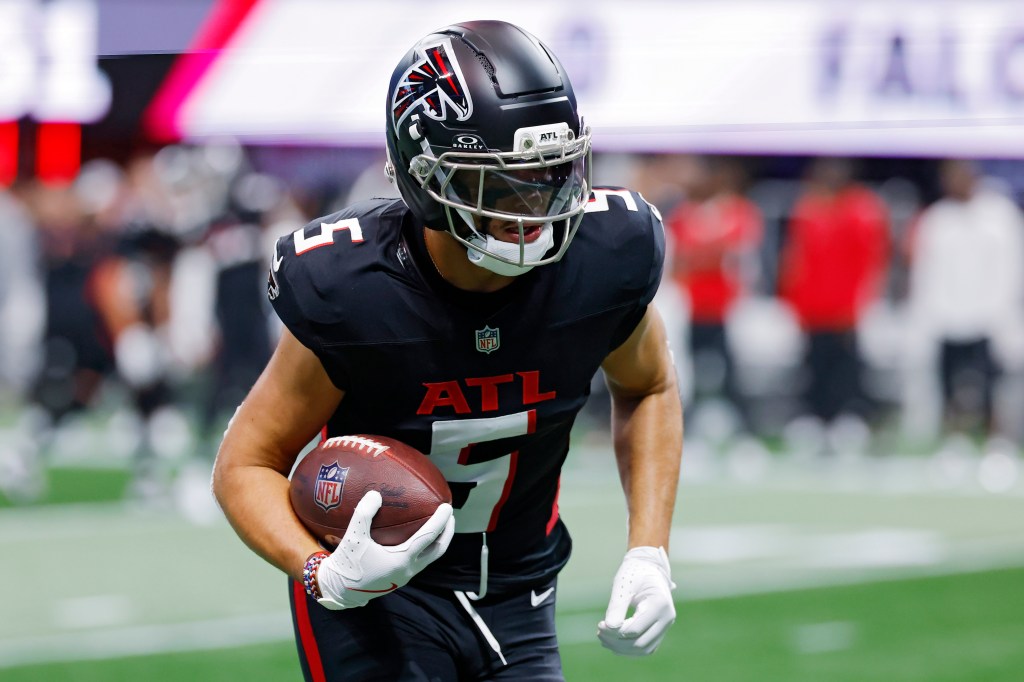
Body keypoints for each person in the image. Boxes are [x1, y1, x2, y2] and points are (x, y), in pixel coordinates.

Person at [212, 20, 682, 682]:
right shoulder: (354, 290)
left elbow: (649, 386)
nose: (542, 205)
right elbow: (246, 464)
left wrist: (649, 551)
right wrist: (322, 571)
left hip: (522, 587)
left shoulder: (606, 257)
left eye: (553, 172)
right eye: (507, 183)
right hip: (378, 597)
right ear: (428, 176)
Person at [907, 159, 1024, 438]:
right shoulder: (937, 219)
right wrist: (926, 313)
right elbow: (925, 270)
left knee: (991, 384)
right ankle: (952, 438)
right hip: (947, 315)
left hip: (988, 315)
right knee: (947, 382)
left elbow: (1012, 265)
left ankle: (995, 439)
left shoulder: (999, 215)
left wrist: (1006, 311)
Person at [778, 157, 889, 427]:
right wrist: (792, 300)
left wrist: (860, 303)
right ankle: (815, 418)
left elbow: (870, 261)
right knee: (813, 366)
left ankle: (850, 417)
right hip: (813, 308)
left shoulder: (861, 209)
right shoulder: (808, 209)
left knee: (847, 368)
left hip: (845, 309)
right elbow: (796, 259)